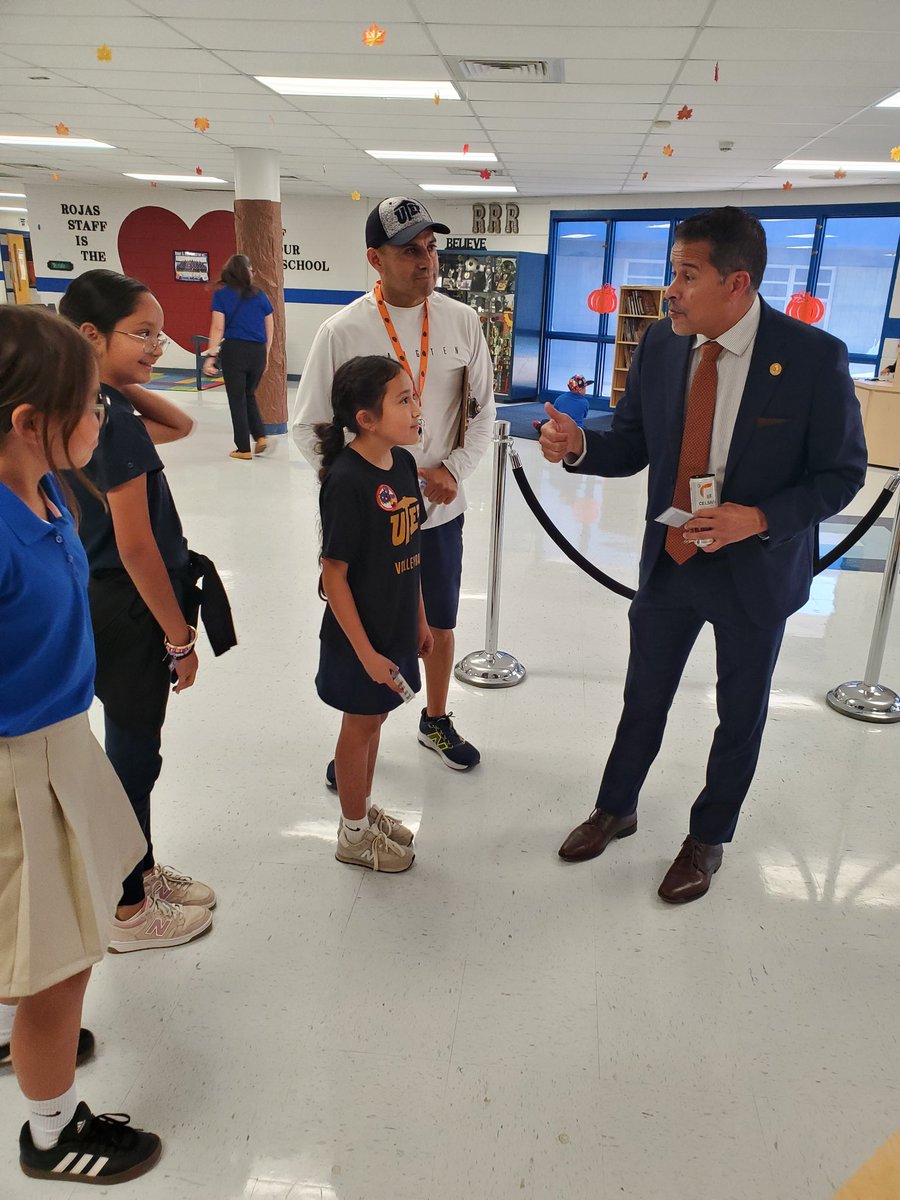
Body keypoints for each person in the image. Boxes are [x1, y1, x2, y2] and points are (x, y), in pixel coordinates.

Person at [540, 206, 867, 903]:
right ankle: (616, 807)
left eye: (687, 276)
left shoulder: (812, 358)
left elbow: (842, 475)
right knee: (643, 697)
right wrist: (580, 447)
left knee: (738, 713)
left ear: (738, 282)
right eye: (671, 274)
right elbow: (631, 440)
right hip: (672, 562)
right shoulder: (663, 345)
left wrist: (761, 518)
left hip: (756, 573)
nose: (672, 292)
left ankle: (707, 838)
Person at [0, 306, 162, 1184]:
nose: (107, 417)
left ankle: (13, 1034)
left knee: (32, 931)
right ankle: (52, 1130)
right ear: (30, 424)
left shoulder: (48, 486)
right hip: (16, 760)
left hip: (58, 738)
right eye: (91, 404)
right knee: (61, 965)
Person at [293, 196, 496, 776]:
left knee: (439, 623)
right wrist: (364, 491)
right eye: (410, 251)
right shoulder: (343, 330)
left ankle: (435, 718)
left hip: (439, 509)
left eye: (431, 248)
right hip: (373, 524)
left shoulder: (462, 321)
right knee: (374, 625)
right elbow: (308, 427)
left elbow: (483, 411)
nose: (426, 261)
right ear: (375, 260)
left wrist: (453, 470)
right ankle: (359, 731)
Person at [59, 269, 219, 951]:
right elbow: (136, 546)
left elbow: (179, 422)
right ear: (91, 334)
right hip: (130, 610)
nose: (158, 344)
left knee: (132, 746)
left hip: (99, 602)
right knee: (133, 753)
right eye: (142, 333)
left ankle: (142, 867)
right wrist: (179, 637)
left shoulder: (84, 405)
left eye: (159, 332)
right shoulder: (110, 419)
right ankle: (127, 909)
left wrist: (111, 376)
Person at [314, 356, 433, 872]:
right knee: (359, 725)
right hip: (360, 639)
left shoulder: (403, 465)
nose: (416, 408)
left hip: (396, 624)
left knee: (377, 718)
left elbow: (412, 552)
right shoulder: (346, 480)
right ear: (365, 417)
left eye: (413, 396)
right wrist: (365, 654)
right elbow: (333, 575)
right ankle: (353, 835)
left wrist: (421, 619)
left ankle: (360, 808)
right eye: (402, 400)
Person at [203, 253, 274, 460]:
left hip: (235, 350)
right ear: (246, 272)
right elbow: (270, 326)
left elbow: (217, 327)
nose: (253, 273)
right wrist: (266, 353)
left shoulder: (222, 295)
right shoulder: (260, 295)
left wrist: (211, 356)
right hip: (258, 351)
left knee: (237, 399)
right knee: (249, 394)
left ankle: (243, 449)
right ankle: (260, 436)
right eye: (251, 270)